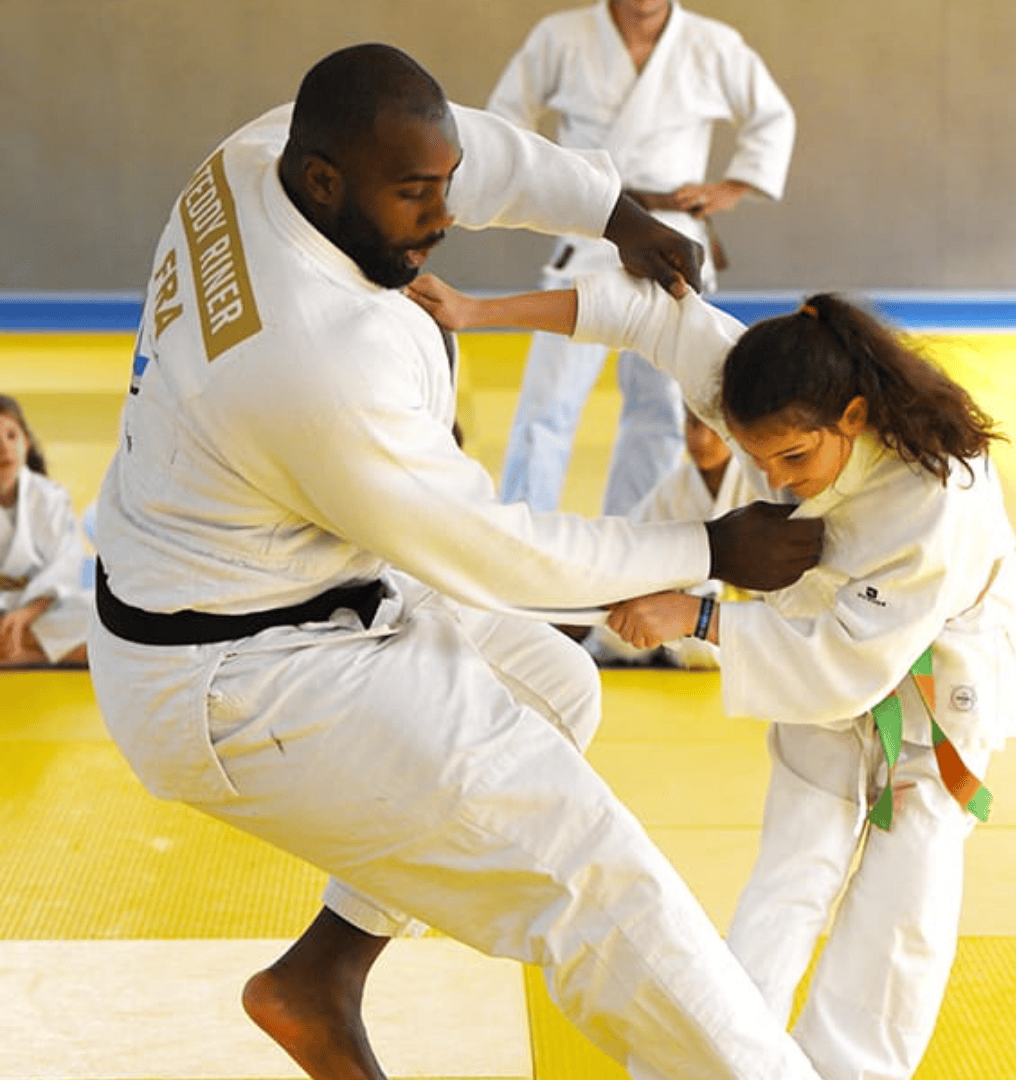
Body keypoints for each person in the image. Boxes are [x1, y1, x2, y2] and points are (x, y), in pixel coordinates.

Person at [87, 43, 829, 1080]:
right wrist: (708, 546)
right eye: (413, 197)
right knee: (592, 871)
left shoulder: (260, 151)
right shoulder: (316, 362)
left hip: (276, 575)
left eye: (440, 190)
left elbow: (468, 150)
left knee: (556, 692)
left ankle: (318, 980)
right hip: (238, 674)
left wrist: (614, 214)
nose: (440, 217)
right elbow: (495, 552)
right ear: (324, 183)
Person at [408, 271, 1016, 1080]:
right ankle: (722, 1062)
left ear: (852, 417)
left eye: (795, 457)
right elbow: (640, 313)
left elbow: (846, 670)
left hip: (938, 673)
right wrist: (477, 309)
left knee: (903, 897)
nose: (774, 478)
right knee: (789, 868)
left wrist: (699, 617)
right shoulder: (765, 383)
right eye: (758, 456)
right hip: (813, 631)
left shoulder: (928, 502)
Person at [488, 0, 795, 516]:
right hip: (590, 225)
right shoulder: (561, 35)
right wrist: (547, 184)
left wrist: (734, 186)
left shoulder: (712, 43)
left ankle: (639, 531)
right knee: (547, 403)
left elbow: (773, 115)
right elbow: (502, 120)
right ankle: (522, 531)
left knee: (661, 406)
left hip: (671, 235)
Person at [581, 404, 759, 668]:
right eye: (692, 425)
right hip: (673, 612)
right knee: (614, 628)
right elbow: (628, 546)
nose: (701, 440)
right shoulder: (676, 488)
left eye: (713, 429)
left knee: (704, 645)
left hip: (739, 614)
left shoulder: (758, 485)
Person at [0, 394, 90, 668]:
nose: (3, 448)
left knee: (98, 614)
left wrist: (28, 612)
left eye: (11, 436)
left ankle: (24, 651)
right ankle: (29, 650)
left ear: (25, 443)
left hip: (42, 607)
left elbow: (67, 563)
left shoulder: (50, 497)